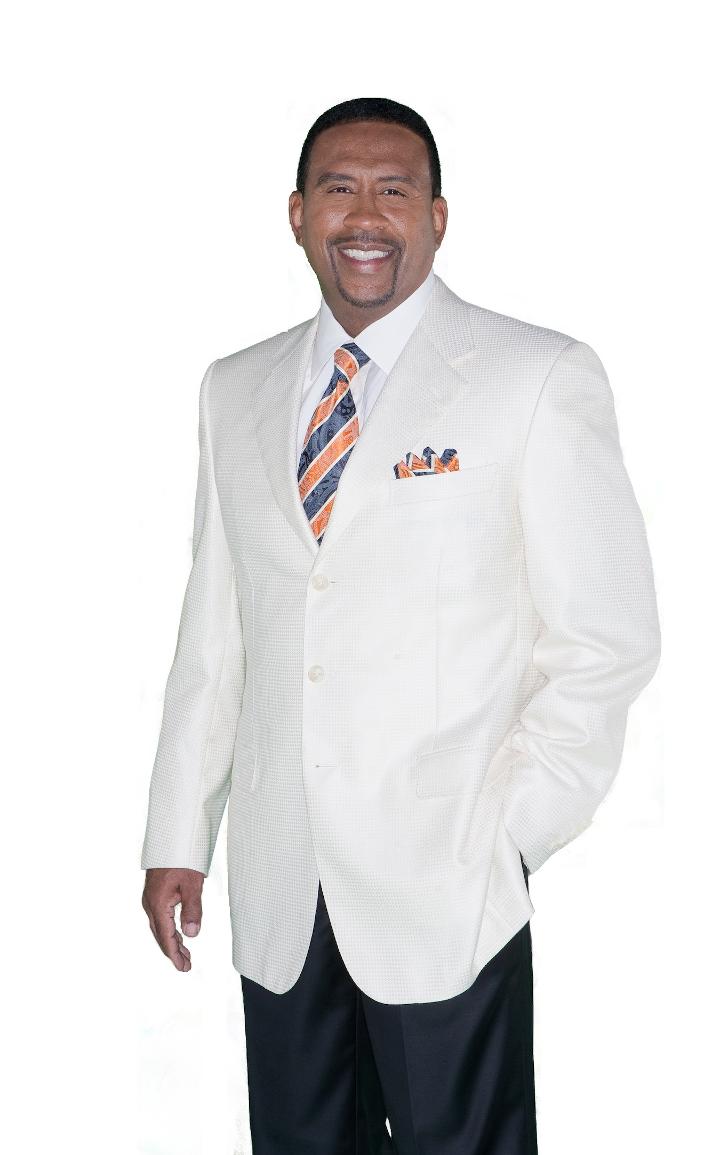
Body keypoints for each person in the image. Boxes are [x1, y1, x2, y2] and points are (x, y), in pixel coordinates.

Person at [140, 96, 661, 1154]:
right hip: (283, 884)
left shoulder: (533, 376)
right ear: (298, 214)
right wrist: (178, 835)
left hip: (448, 882)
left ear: (436, 217)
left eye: (394, 190)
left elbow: (605, 640)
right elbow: (215, 636)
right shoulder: (235, 389)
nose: (365, 214)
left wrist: (508, 837)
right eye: (339, 189)